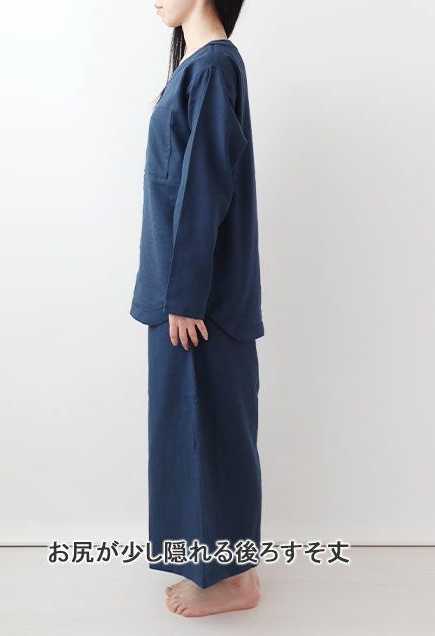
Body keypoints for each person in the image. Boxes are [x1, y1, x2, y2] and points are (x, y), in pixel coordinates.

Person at [130, 0, 265, 618]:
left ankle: (233, 580)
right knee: (192, 431)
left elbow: (205, 183)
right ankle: (216, 569)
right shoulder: (198, 66)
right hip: (180, 293)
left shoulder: (214, 66)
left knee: (209, 432)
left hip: (199, 302)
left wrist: (186, 296)